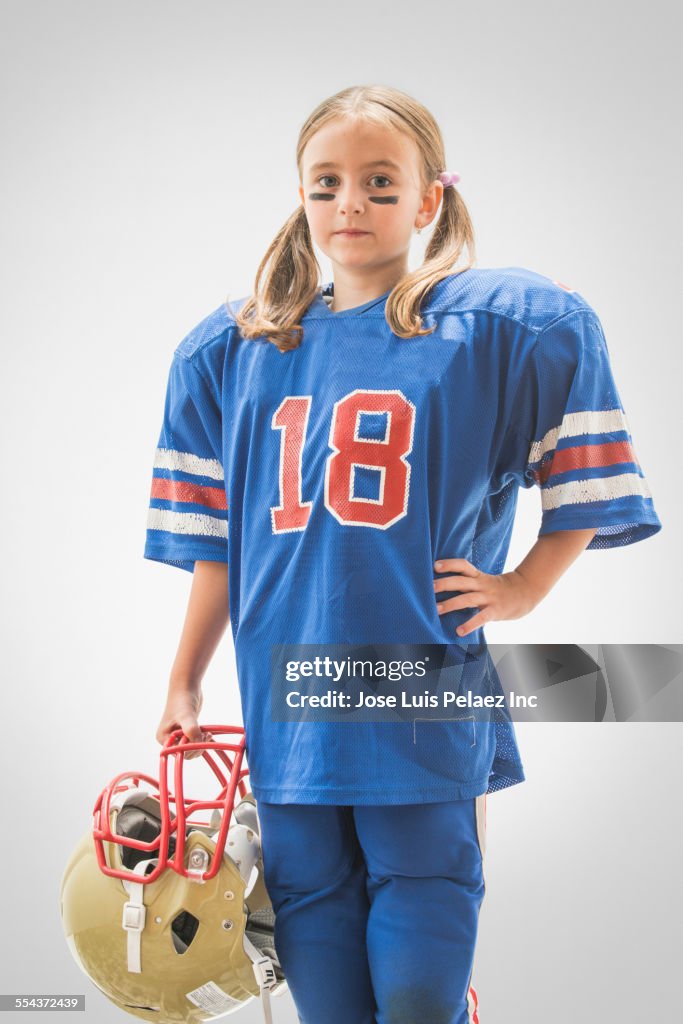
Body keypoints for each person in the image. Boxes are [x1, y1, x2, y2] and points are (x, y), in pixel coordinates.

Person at [144, 84, 662, 1024]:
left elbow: (584, 473)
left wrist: (524, 588)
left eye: (381, 184)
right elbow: (218, 541)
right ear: (300, 195)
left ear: (428, 199)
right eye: (328, 183)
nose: (352, 205)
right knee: (313, 918)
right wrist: (184, 678)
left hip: (417, 681)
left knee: (421, 921)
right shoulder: (239, 347)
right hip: (285, 691)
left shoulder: (500, 327)